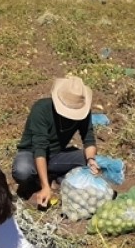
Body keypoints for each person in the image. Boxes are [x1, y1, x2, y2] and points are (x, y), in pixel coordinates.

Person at [12, 76, 99, 208]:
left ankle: (54, 175)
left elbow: (89, 139)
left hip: (56, 155)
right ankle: (40, 181)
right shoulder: (41, 109)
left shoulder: (83, 111)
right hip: (32, 153)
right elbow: (39, 148)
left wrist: (91, 160)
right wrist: (45, 187)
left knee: (89, 160)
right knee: (22, 170)